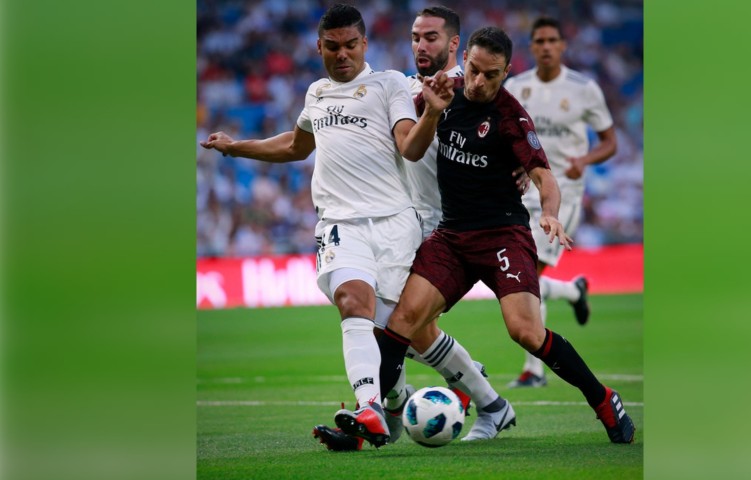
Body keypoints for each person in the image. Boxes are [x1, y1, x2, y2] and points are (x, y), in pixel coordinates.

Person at [201, 4, 454, 449]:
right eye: (333, 47)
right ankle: (371, 407)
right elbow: (296, 146)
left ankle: (398, 404)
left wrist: (431, 114)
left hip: (395, 226)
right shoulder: (316, 94)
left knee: (389, 334)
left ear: (364, 45)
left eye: (350, 46)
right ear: (319, 47)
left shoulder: (389, 85)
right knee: (352, 300)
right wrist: (237, 148)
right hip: (341, 224)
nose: (342, 55)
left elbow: (409, 149)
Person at [366, 26, 635, 444]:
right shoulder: (443, 91)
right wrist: (429, 112)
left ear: (506, 72)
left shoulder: (512, 118)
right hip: (451, 236)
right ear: (465, 60)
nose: (477, 82)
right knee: (402, 322)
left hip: (502, 236)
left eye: (490, 75)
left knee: (525, 332)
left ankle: (603, 399)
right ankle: (372, 421)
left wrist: (550, 214)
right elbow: (402, 136)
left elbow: (544, 177)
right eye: (472, 70)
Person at [313, 6, 518, 451]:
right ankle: (465, 401)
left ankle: (394, 408)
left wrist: (518, 170)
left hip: (451, 228)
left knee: (402, 328)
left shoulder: (478, 90)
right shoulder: (404, 91)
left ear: (454, 45)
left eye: (430, 37)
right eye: (414, 37)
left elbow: (516, 135)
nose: (420, 45)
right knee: (401, 327)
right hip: (410, 220)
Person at [503, 17, 618, 388]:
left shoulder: (583, 88)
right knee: (518, 276)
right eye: (540, 41)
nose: (547, 46)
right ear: (532, 46)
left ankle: (533, 371)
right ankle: (572, 291)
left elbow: (609, 141)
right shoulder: (517, 86)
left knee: (528, 276)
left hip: (562, 192)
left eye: (553, 40)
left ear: (563, 45)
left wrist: (584, 161)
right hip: (523, 191)